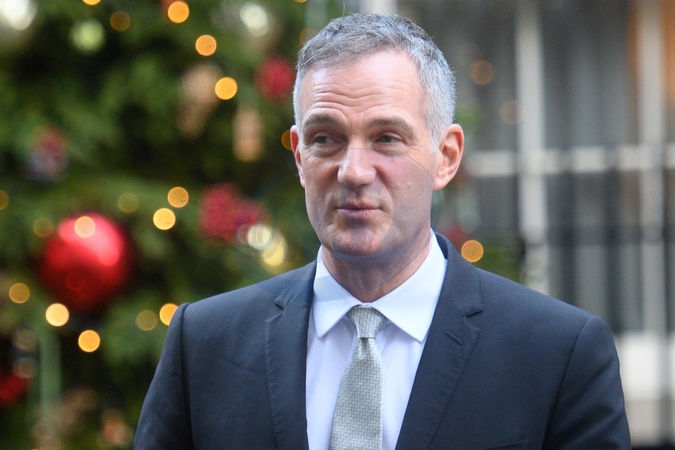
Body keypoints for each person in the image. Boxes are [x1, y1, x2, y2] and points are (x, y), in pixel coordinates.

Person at [134, 13, 630, 449]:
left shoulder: (557, 354)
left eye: (387, 138)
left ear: (446, 157)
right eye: (325, 138)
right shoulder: (205, 345)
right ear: (299, 156)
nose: (353, 170)